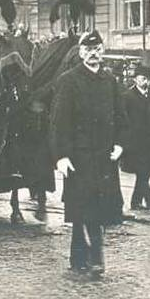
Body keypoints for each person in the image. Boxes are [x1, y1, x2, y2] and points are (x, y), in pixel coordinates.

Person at [49, 30, 126, 276]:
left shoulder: (110, 81)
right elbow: (59, 123)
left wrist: (120, 144)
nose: (93, 54)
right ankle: (95, 259)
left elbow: (121, 117)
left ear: (102, 52)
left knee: (96, 209)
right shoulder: (68, 81)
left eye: (98, 50)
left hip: (104, 157)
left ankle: (79, 258)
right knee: (85, 209)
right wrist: (61, 156)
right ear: (81, 52)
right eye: (88, 50)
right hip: (79, 159)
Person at [120, 64, 150, 211]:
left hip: (149, 142)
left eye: (148, 79)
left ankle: (137, 202)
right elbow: (124, 120)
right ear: (135, 79)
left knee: (144, 173)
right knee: (142, 172)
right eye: (143, 79)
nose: (146, 82)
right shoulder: (127, 96)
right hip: (135, 142)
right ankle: (147, 200)